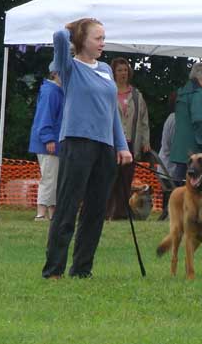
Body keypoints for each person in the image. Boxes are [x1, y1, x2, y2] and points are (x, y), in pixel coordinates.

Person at [42, 18, 132, 280]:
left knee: (95, 209)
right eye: (97, 38)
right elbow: (59, 38)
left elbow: (112, 112)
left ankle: (82, 268)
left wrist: (122, 146)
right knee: (68, 205)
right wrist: (72, 28)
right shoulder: (69, 67)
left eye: (104, 38)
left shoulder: (105, 69)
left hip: (104, 146)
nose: (103, 43)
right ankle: (53, 269)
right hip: (76, 141)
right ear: (82, 41)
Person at [105, 57, 150, 219]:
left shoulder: (137, 95)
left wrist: (146, 141)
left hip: (131, 142)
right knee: (110, 178)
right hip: (112, 143)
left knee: (126, 179)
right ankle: (106, 211)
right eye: (119, 70)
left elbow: (144, 120)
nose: (123, 73)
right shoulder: (108, 92)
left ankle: (122, 212)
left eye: (125, 70)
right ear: (113, 73)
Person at [169, 61, 202, 187]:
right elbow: (201, 120)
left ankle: (171, 205)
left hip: (183, 148)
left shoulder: (184, 92)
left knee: (179, 183)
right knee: (189, 187)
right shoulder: (198, 95)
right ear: (200, 76)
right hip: (196, 149)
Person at [28, 61, 64, 221]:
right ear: (55, 73)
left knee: (53, 177)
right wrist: (48, 138)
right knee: (49, 178)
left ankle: (51, 213)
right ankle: (41, 213)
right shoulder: (51, 92)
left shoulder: (55, 91)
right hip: (48, 143)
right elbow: (45, 117)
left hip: (52, 142)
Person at [156, 91, 178, 220]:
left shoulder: (171, 118)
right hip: (170, 169)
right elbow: (173, 146)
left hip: (165, 167)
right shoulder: (176, 119)